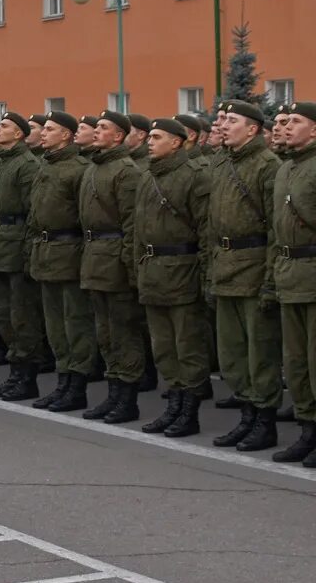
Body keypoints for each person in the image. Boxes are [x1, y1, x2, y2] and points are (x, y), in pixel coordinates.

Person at [208, 100, 282, 451]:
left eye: (231, 120)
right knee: (233, 352)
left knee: (260, 351)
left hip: (254, 267)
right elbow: (211, 225)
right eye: (221, 120)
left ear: (252, 129)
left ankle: (264, 421)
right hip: (225, 265)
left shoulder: (267, 165)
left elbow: (276, 230)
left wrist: (270, 280)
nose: (222, 125)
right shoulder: (223, 162)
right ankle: (248, 414)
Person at [136, 118, 211, 438]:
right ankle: (175, 404)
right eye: (149, 136)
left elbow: (207, 230)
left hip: (182, 267)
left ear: (178, 142)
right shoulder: (147, 176)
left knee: (187, 344)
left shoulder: (194, 176)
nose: (149, 142)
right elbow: (138, 228)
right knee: (163, 345)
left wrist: (206, 275)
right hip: (152, 270)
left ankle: (189, 411)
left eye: (157, 137)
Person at [77, 110, 143, 423]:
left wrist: (130, 267)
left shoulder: (125, 170)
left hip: (115, 258)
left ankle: (127, 398)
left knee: (123, 331)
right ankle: (113, 391)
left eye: (103, 127)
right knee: (104, 332)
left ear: (118, 136)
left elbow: (132, 225)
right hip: (95, 257)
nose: (96, 131)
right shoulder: (93, 166)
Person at [29, 111, 95, 412]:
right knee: (55, 325)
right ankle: (63, 381)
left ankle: (77, 385)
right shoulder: (46, 166)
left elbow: (85, 218)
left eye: (50, 129)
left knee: (75, 323)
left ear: (66, 135)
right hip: (45, 253)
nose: (43, 133)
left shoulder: (78, 168)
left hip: (69, 251)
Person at [0, 112, 44, 400]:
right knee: (5, 315)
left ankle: (26, 376)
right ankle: (15, 372)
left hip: (16, 244)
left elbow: (33, 213)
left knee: (22, 316)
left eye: (5, 126)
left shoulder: (26, 164)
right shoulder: (0, 163)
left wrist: (28, 251)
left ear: (19, 134)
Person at [272, 101, 316, 467]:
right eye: (283, 122)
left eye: (296, 122)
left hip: (314, 275)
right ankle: (307, 430)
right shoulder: (285, 168)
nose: (285, 127)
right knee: (297, 361)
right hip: (290, 274)